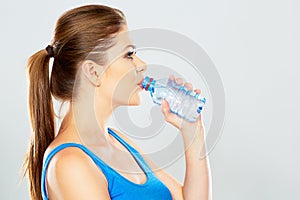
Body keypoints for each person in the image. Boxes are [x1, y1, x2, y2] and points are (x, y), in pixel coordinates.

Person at [22, 4, 211, 200]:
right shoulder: (70, 165)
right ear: (93, 72)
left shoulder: (118, 142)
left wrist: (193, 133)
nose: (142, 65)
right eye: (129, 55)